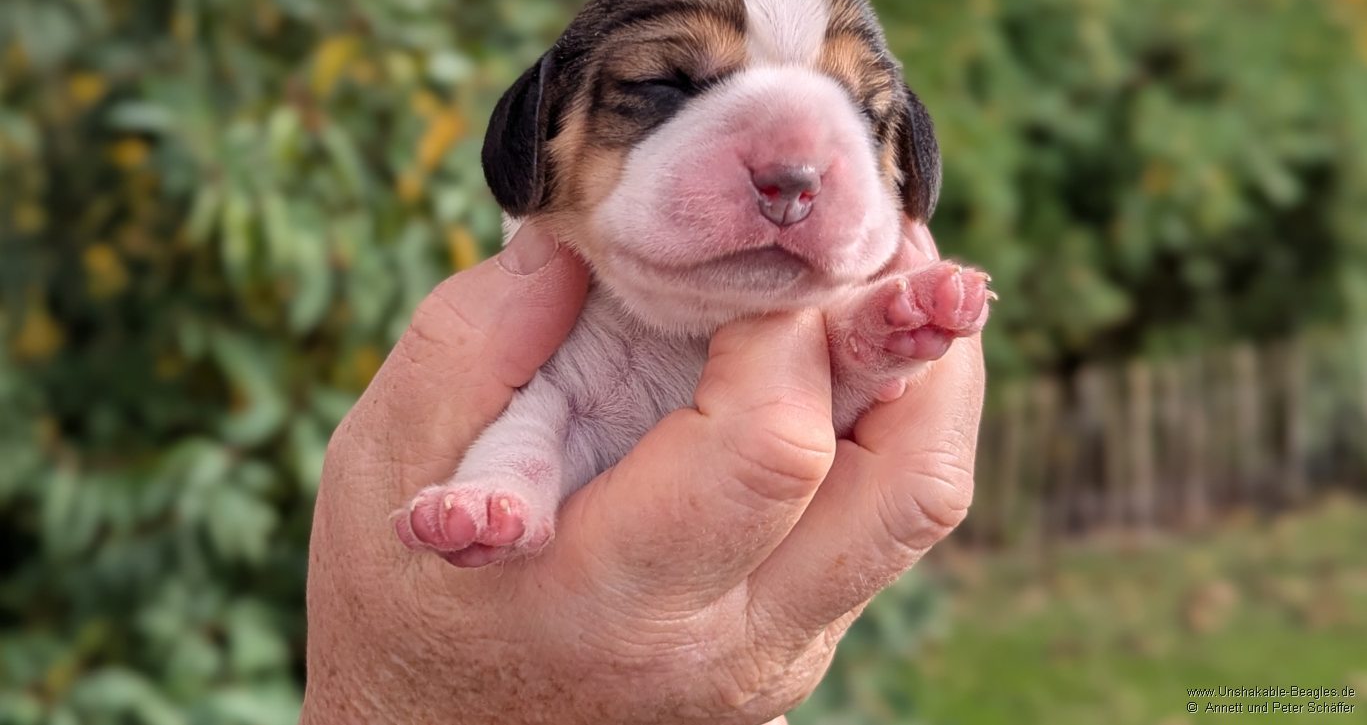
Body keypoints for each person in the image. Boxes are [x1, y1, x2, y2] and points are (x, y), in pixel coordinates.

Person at [301, 221, 985, 725]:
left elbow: (820, 405)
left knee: (816, 363)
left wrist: (867, 337)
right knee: (543, 421)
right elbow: (552, 411)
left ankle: (880, 330)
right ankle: (503, 504)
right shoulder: (583, 287)